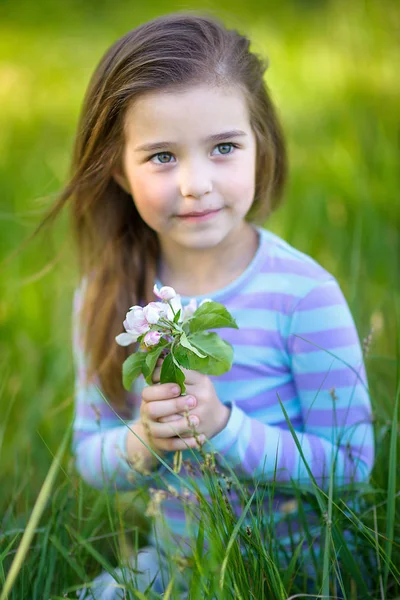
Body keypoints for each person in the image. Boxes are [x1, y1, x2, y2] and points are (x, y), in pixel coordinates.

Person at [54, 11, 375, 598]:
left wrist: (226, 429)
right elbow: (89, 455)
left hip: (302, 572)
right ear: (121, 171)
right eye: (162, 156)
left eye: (223, 146)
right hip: (182, 565)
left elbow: (352, 469)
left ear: (261, 146)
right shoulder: (108, 296)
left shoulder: (304, 295)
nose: (195, 183)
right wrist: (144, 438)